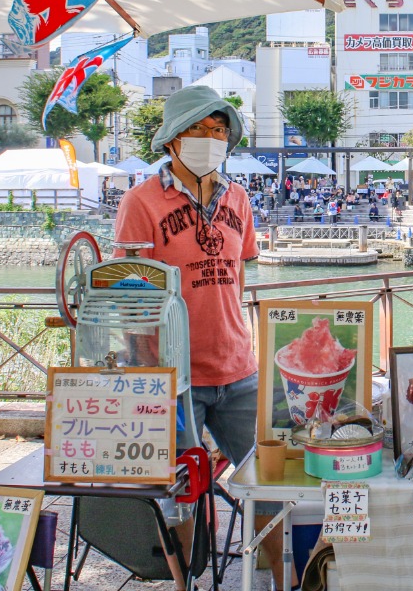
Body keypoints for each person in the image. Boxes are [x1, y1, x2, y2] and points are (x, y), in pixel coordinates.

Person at [112, 86, 286, 590]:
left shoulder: (239, 196)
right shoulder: (140, 201)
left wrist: (243, 338)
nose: (211, 140)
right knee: (182, 491)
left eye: (219, 131)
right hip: (174, 375)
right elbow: (131, 292)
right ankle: (186, 581)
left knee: (269, 484)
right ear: (172, 140)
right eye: (199, 130)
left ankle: (278, 579)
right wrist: (148, 370)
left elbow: (238, 275)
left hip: (239, 369)